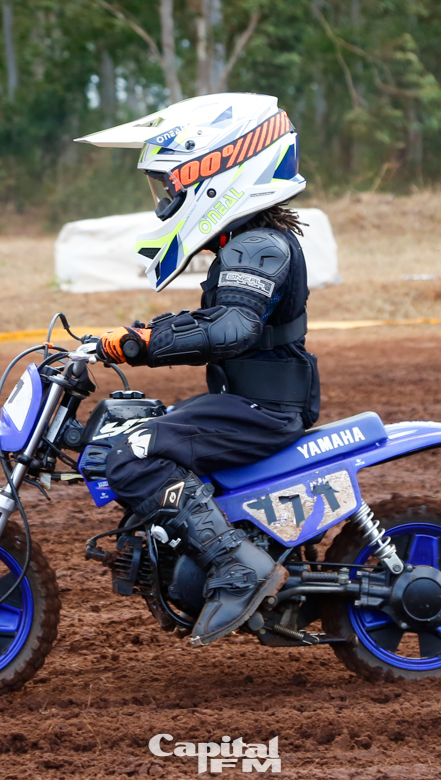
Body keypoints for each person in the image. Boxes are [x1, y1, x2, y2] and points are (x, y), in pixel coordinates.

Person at [75, 93, 319, 647]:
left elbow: (231, 328)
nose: (167, 200)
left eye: (171, 185)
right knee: (141, 429)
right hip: (252, 402)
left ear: (216, 172)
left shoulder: (258, 247)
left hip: (263, 409)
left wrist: (140, 345)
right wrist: (138, 338)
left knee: (132, 453)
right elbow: (219, 321)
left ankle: (236, 564)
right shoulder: (246, 243)